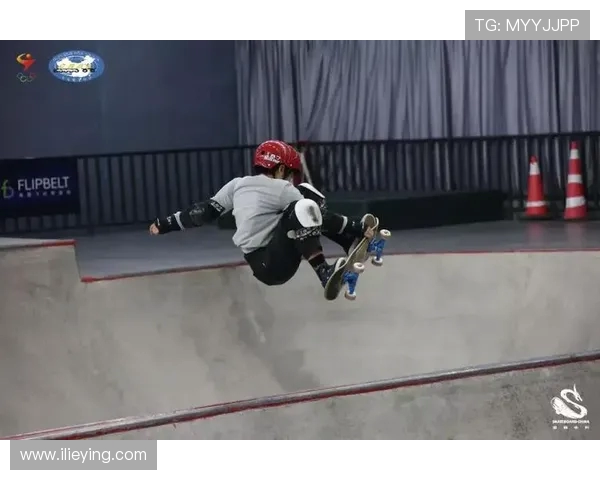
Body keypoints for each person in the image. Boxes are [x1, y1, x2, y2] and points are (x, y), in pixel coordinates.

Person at [149, 140, 375, 298]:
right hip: (276, 262)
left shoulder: (237, 185)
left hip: (261, 265)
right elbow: (319, 217)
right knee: (307, 203)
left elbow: (202, 212)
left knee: (304, 205)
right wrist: (356, 226)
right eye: (289, 174)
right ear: (281, 169)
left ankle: (348, 244)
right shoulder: (283, 189)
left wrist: (165, 224)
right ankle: (325, 270)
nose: (290, 179)